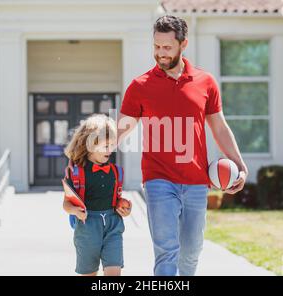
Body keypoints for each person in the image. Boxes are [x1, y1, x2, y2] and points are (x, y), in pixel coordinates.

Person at [116, 15, 249, 276]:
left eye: (167, 47)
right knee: (166, 251)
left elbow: (219, 127)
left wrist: (240, 165)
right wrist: (92, 149)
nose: (160, 53)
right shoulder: (140, 86)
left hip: (196, 181)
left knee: (190, 253)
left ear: (183, 44)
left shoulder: (205, 82)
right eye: (156, 46)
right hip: (158, 179)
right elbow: (123, 127)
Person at [62, 114, 131, 276]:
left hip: (113, 225)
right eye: (106, 145)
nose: (111, 149)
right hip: (87, 227)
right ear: (91, 145)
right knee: (89, 273)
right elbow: (66, 204)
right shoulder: (76, 173)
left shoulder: (116, 171)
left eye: (113, 145)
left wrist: (125, 207)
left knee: (114, 272)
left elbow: (117, 198)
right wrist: (74, 211)